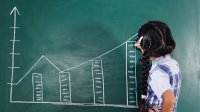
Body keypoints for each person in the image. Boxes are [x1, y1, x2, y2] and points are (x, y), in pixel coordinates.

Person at [134, 21, 182, 112]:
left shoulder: (157, 73)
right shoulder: (172, 63)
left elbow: (169, 100)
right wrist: (145, 46)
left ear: (148, 45)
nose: (137, 43)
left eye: (140, 40)